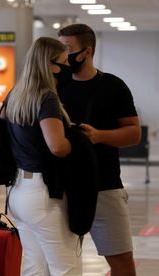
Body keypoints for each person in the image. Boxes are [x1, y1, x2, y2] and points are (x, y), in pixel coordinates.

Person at [0, 37, 82, 275]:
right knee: (65, 265)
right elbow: (58, 147)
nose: (68, 66)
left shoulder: (16, 94)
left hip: (18, 192)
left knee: (34, 265)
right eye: (64, 62)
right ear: (51, 65)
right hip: (44, 194)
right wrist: (82, 143)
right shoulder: (46, 98)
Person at [57, 24, 140, 276]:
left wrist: (99, 136)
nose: (63, 56)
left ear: (87, 51)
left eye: (68, 49)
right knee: (61, 263)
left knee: (122, 262)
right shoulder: (53, 86)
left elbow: (133, 133)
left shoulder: (113, 86)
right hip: (59, 188)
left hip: (104, 185)